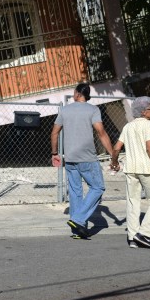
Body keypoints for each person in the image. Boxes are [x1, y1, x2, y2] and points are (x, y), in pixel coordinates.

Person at [50, 83, 114, 239]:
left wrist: (54, 153)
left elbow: (54, 133)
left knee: (75, 192)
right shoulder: (93, 110)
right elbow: (101, 132)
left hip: (70, 158)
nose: (73, 95)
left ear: (78, 93)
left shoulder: (65, 110)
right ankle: (78, 220)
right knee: (97, 187)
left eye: (74, 92)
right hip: (87, 158)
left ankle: (78, 230)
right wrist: (113, 154)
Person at [110, 96, 150, 249]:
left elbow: (116, 148)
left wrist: (114, 163)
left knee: (132, 202)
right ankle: (144, 234)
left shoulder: (128, 127)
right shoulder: (149, 125)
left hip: (130, 169)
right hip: (146, 169)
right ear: (143, 112)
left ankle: (132, 237)